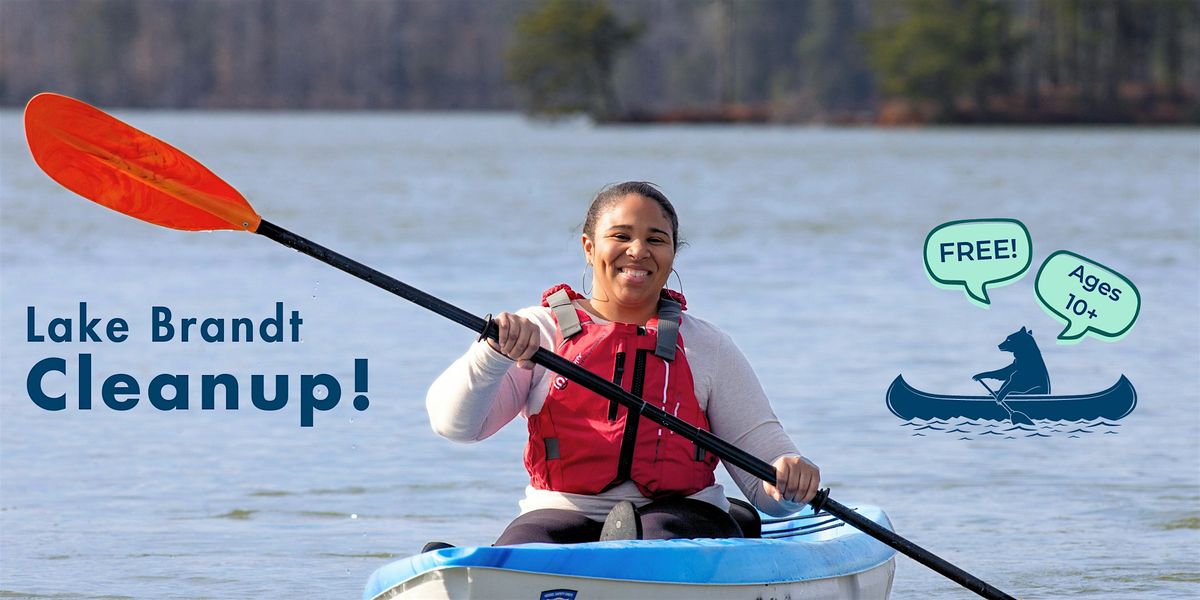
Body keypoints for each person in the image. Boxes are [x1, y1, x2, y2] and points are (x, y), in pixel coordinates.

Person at [426, 181, 820, 545]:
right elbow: (456, 427)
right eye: (620, 236)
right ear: (588, 247)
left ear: (672, 253)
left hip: (685, 515)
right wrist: (492, 355)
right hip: (562, 510)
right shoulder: (536, 332)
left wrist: (787, 481)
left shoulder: (708, 346)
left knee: (654, 532)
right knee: (526, 547)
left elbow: (769, 489)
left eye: (656, 239)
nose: (637, 250)